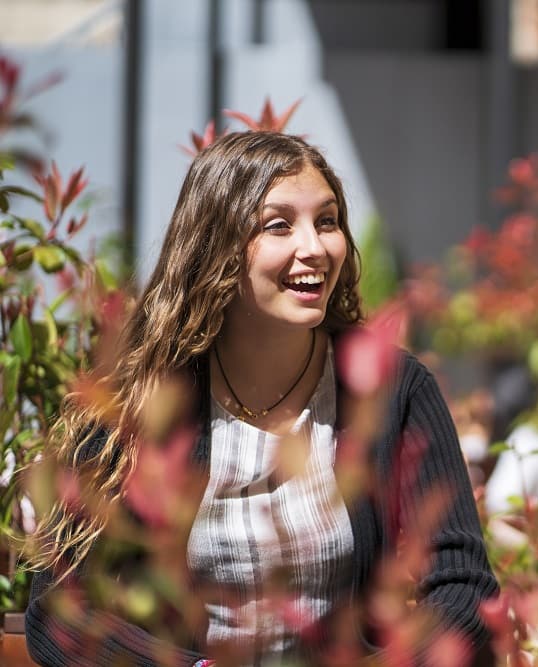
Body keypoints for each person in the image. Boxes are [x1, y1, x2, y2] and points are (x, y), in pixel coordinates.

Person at [24, 131, 499, 666]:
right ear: (217, 246)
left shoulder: (393, 390)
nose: (315, 247)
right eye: (279, 225)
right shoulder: (140, 401)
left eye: (327, 221)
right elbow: (59, 610)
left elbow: (466, 587)